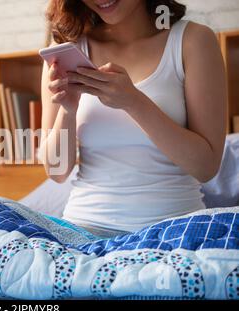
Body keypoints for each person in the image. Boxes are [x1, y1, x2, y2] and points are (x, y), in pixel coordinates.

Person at [39, 0, 227, 237]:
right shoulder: (67, 50)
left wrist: (134, 103)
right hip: (84, 230)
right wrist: (68, 110)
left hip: (173, 231)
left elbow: (206, 167)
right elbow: (56, 172)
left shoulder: (193, 41)